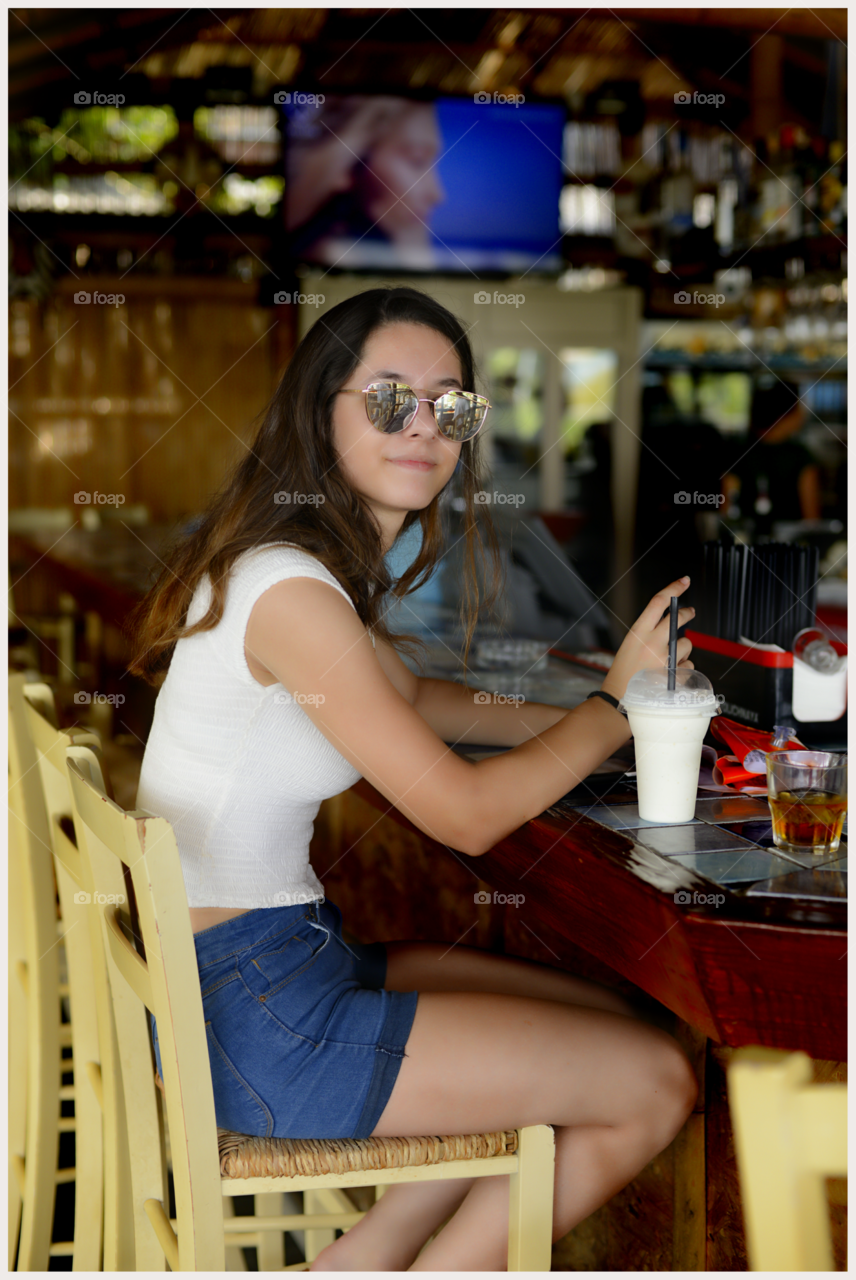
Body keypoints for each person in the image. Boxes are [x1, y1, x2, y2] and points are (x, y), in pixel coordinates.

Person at [128, 286, 698, 1271]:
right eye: (389, 398)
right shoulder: (291, 591)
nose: (425, 426)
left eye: (452, 405)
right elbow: (466, 816)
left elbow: (424, 698)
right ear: (319, 414)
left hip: (250, 974)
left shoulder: (293, 566)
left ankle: (353, 1264)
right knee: (654, 1080)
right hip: (254, 1019)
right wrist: (609, 710)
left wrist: (626, 717)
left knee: (610, 1023)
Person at [723, 379, 822, 536]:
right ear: (785, 413)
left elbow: (727, 508)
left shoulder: (738, 450)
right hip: (790, 546)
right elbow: (811, 520)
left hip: (745, 541)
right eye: (799, 407)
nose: (803, 413)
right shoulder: (802, 456)